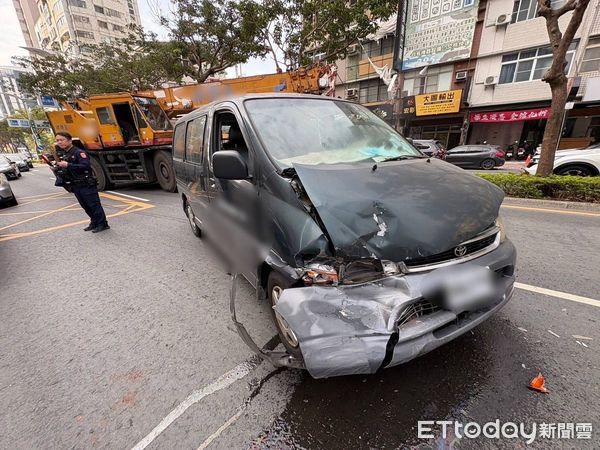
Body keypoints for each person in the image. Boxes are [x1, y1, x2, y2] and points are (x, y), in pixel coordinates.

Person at [53, 132, 110, 233]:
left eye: (62, 140)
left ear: (70, 140)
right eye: (57, 140)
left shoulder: (79, 152)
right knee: (85, 206)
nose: (59, 142)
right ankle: (94, 222)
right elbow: (68, 168)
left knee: (94, 205)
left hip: (86, 184)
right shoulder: (66, 153)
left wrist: (68, 165)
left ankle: (103, 224)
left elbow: (86, 166)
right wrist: (57, 168)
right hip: (75, 185)